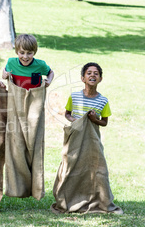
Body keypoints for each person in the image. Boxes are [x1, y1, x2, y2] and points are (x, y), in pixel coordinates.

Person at [51, 62, 122, 214]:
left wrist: (95, 119)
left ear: (100, 79)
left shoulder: (103, 101)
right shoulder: (75, 96)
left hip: (92, 139)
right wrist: (75, 121)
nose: (92, 75)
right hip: (75, 136)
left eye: (96, 73)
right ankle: (68, 199)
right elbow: (67, 113)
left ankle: (98, 199)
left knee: (95, 167)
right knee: (70, 166)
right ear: (82, 78)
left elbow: (104, 122)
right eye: (89, 73)